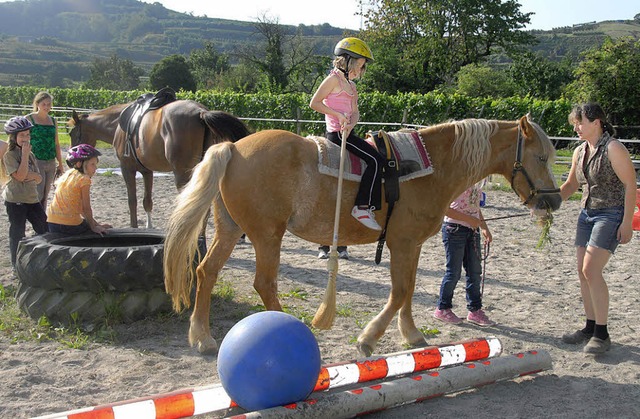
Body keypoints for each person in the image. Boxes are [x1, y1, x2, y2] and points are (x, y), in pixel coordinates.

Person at [559, 103, 636, 355]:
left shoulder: (613, 148)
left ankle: (602, 334)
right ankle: (590, 326)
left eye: (580, 122)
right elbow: (571, 185)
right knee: (583, 273)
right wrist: (548, 201)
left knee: (591, 269)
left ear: (596, 122)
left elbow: (630, 185)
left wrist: (627, 222)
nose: (576, 127)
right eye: (575, 123)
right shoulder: (580, 151)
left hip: (611, 213)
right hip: (586, 213)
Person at [310, 37, 385, 231]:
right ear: (349, 59)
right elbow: (314, 103)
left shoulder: (351, 85)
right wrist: (338, 115)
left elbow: (356, 111)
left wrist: (352, 122)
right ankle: (362, 207)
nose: (363, 66)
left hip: (347, 132)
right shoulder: (333, 79)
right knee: (376, 161)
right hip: (336, 134)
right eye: (361, 61)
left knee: (376, 158)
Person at [433, 180, 495, 327]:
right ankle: (442, 308)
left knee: (474, 272)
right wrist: (469, 220)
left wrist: (485, 228)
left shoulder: (478, 183)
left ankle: (475, 310)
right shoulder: (457, 181)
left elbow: (475, 208)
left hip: (472, 230)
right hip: (454, 230)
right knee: (453, 272)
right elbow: (446, 209)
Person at [1, 116, 48, 267]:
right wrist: (25, 157)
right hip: (16, 200)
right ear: (14, 137)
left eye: (28, 134)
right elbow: (20, 176)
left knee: (44, 228)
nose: (26, 138)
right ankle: (16, 265)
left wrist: (31, 175)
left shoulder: (31, 154)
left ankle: (43, 258)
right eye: (22, 135)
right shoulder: (10, 155)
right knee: (17, 233)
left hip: (32, 198)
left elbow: (39, 178)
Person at [47, 144, 112, 235]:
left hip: (52, 223)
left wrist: (97, 224)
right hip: (70, 225)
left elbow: (79, 208)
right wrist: (94, 227)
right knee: (99, 234)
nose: (95, 168)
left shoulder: (68, 174)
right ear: (79, 164)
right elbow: (86, 208)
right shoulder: (84, 179)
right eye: (92, 164)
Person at [26, 91, 64, 209]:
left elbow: (56, 143)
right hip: (36, 160)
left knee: (46, 193)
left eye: (49, 104)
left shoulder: (53, 121)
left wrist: (60, 164)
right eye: (44, 104)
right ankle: (36, 217)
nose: (47, 107)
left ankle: (41, 219)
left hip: (50, 161)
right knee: (39, 192)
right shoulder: (29, 119)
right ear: (37, 104)